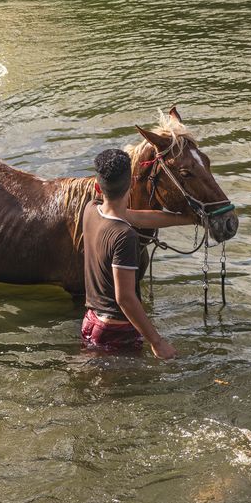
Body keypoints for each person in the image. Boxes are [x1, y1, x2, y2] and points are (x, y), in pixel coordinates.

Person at [81, 148, 195, 359]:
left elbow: (138, 217)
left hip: (90, 321)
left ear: (98, 187)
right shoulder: (125, 236)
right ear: (132, 185)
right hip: (115, 331)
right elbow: (124, 298)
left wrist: (187, 219)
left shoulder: (90, 209)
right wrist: (157, 342)